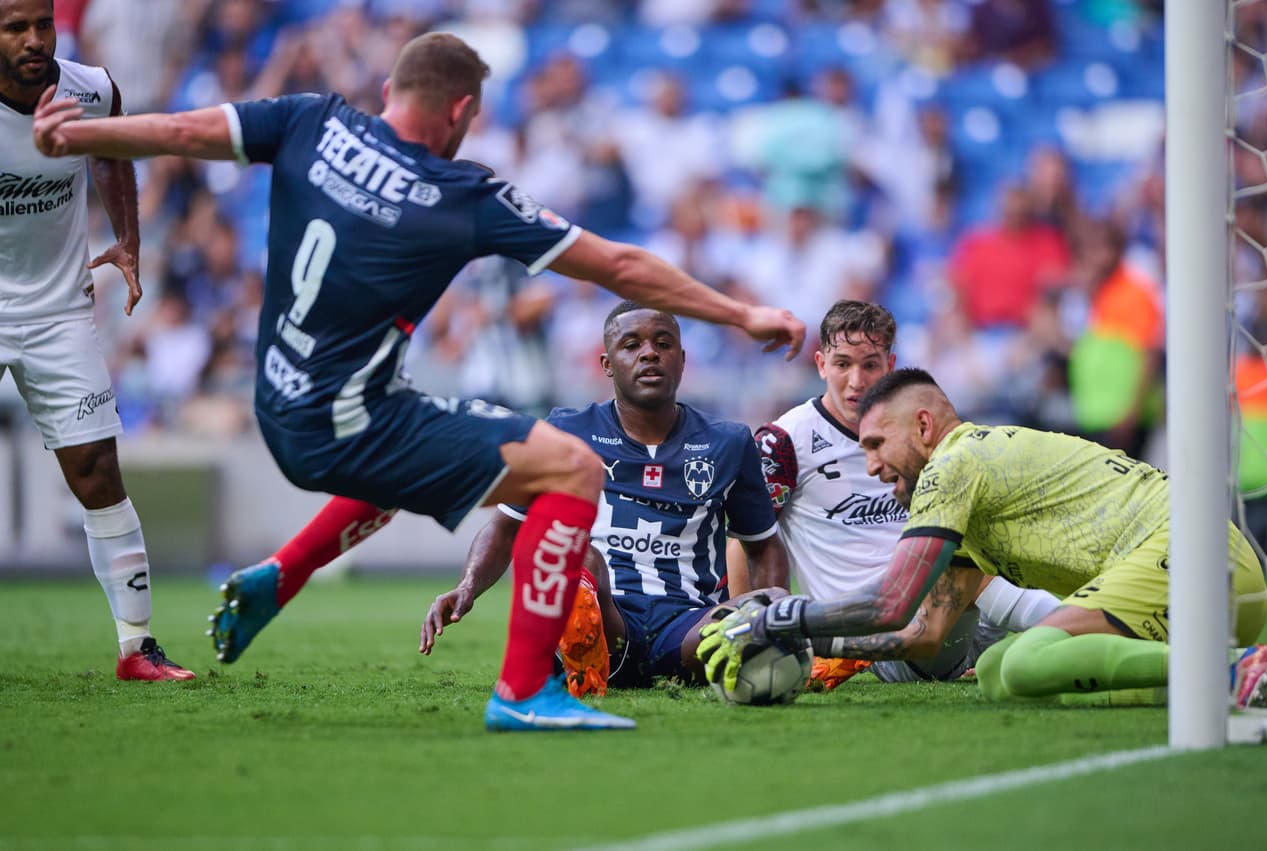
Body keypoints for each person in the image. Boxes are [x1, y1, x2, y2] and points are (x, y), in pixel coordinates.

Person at [32, 32, 805, 731]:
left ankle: (283, 570)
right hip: (344, 414)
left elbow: (178, 132)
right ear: (462, 109)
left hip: (278, 402)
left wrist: (76, 132)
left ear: (389, 93)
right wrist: (740, 313)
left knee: (433, 444)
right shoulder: (459, 194)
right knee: (571, 467)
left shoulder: (311, 119)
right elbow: (622, 265)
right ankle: (524, 690)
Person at [700, 368, 1267, 709]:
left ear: (924, 426)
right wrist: (818, 651)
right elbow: (923, 635)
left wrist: (782, 620)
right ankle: (1218, 680)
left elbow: (889, 604)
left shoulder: (955, 465)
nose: (871, 465)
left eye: (877, 444)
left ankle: (1230, 667)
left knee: (1029, 657)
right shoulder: (969, 498)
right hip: (1207, 583)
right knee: (1003, 672)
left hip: (1194, 557)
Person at [421, 301, 790, 695]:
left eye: (663, 344)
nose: (650, 353)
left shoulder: (728, 441)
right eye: (631, 344)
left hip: (689, 630)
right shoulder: (567, 431)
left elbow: (763, 546)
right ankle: (582, 657)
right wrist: (467, 585)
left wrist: (766, 622)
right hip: (607, 616)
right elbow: (507, 526)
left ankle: (769, 651)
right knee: (577, 553)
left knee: (775, 599)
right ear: (607, 363)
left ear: (682, 361)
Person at [1, 0, 192, 680]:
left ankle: (137, 648)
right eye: (14, 27)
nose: (33, 40)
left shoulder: (91, 88)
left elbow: (113, 152)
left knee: (99, 475)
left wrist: (129, 242)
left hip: (57, 313)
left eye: (42, 25)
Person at [728, 301, 1059, 689]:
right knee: (958, 561)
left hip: (958, 624)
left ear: (891, 365)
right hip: (876, 641)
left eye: (869, 364)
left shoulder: (918, 428)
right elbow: (746, 542)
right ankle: (1103, 628)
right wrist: (747, 631)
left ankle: (1100, 626)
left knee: (989, 546)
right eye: (842, 364)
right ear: (820, 364)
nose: (856, 380)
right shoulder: (784, 441)